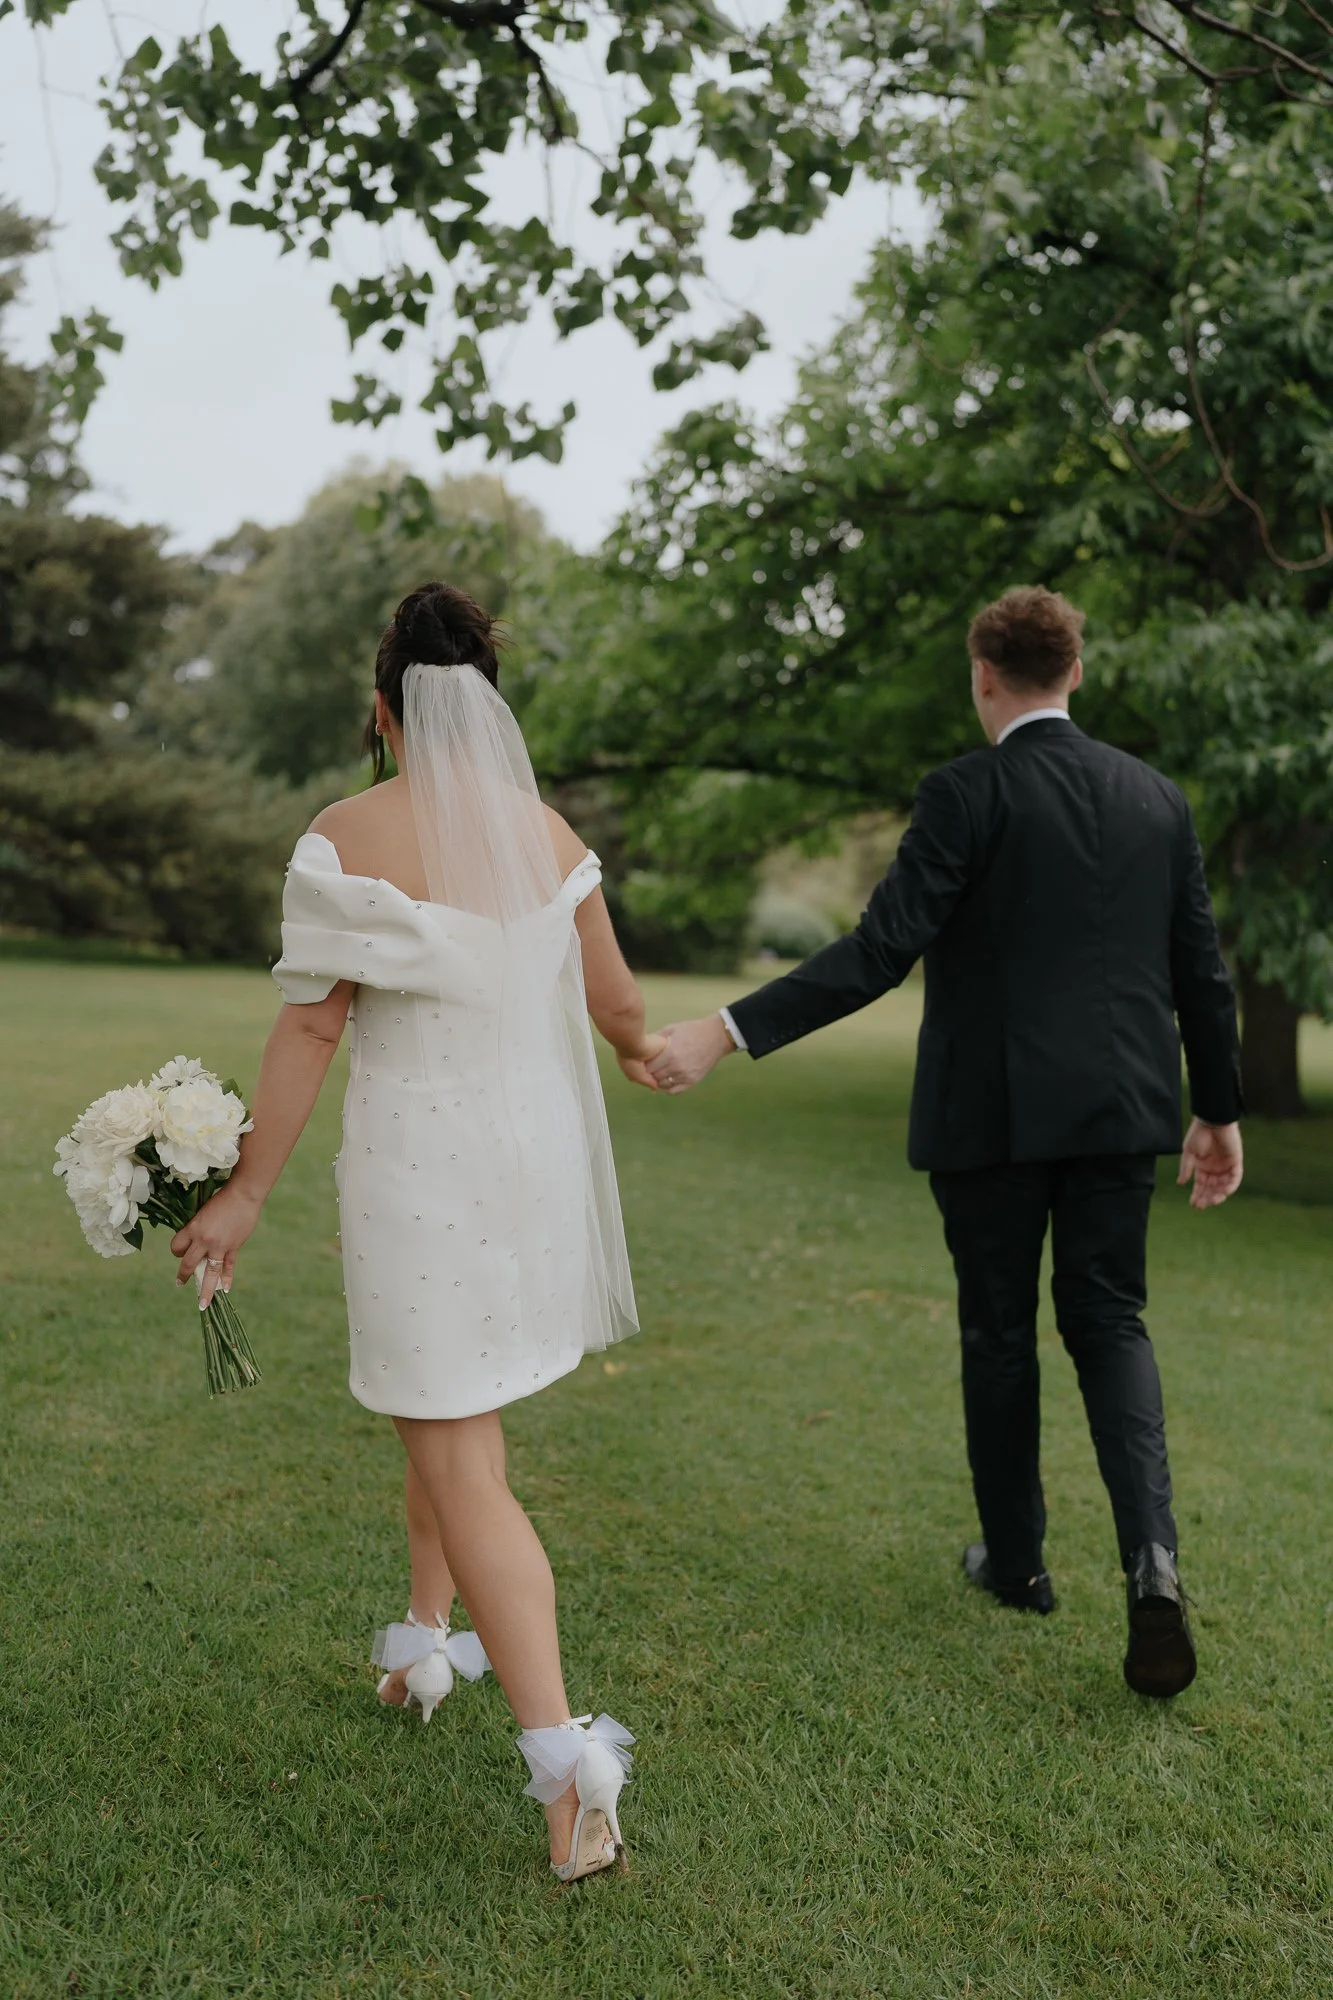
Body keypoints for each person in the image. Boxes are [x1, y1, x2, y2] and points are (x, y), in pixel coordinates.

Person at [648, 586, 1244, 1698]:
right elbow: (1200, 973)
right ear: (1077, 669)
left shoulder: (965, 793)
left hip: (994, 1119)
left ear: (982, 674)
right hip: (1122, 1108)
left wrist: (726, 1031)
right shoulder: (1156, 800)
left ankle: (1017, 1563)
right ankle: (1151, 1560)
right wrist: (1217, 1108)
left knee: (999, 1329)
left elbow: (880, 951)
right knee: (1110, 1321)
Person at [170, 582, 663, 1879]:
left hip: (420, 1179)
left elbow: (312, 1024)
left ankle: (568, 1773)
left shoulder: (344, 833)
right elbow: (615, 1001)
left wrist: (243, 1192)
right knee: (446, 1421)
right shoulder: (550, 836)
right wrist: (647, 1049)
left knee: (460, 1460)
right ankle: (427, 1648)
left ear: (383, 712)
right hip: (528, 1179)